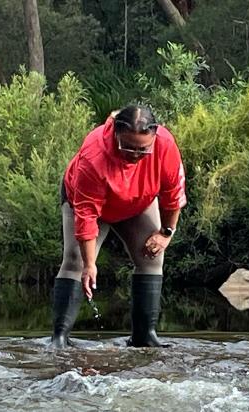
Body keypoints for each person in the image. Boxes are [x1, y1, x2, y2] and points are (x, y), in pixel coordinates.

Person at [50, 105, 187, 348]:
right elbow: (86, 215)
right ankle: (60, 338)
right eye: (128, 147)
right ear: (115, 133)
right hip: (92, 205)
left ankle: (144, 336)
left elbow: (173, 195)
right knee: (75, 261)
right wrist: (90, 264)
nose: (135, 154)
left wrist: (166, 233)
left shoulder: (165, 145)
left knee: (152, 256)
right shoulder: (93, 156)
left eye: (142, 149)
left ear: (154, 137)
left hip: (138, 200)